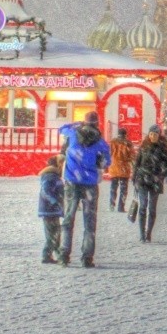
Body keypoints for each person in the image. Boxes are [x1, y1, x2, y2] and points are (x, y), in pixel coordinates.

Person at [59, 113, 111, 267]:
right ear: (97, 123)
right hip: (89, 183)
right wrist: (96, 163)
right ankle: (87, 257)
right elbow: (107, 161)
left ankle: (64, 255)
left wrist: (76, 123)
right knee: (89, 222)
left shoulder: (73, 134)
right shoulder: (100, 142)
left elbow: (61, 129)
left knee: (68, 219)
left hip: (72, 181)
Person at [37, 154, 64, 263]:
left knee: (56, 233)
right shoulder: (50, 176)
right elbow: (46, 191)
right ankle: (46, 255)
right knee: (52, 234)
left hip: (52, 210)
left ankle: (56, 254)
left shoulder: (53, 176)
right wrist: (55, 202)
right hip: (49, 210)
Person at [105, 127, 134, 211]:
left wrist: (107, 165)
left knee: (113, 188)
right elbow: (131, 155)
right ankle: (121, 207)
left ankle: (112, 204)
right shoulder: (128, 143)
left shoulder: (112, 142)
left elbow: (108, 154)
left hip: (114, 168)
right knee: (123, 189)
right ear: (125, 134)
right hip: (124, 169)